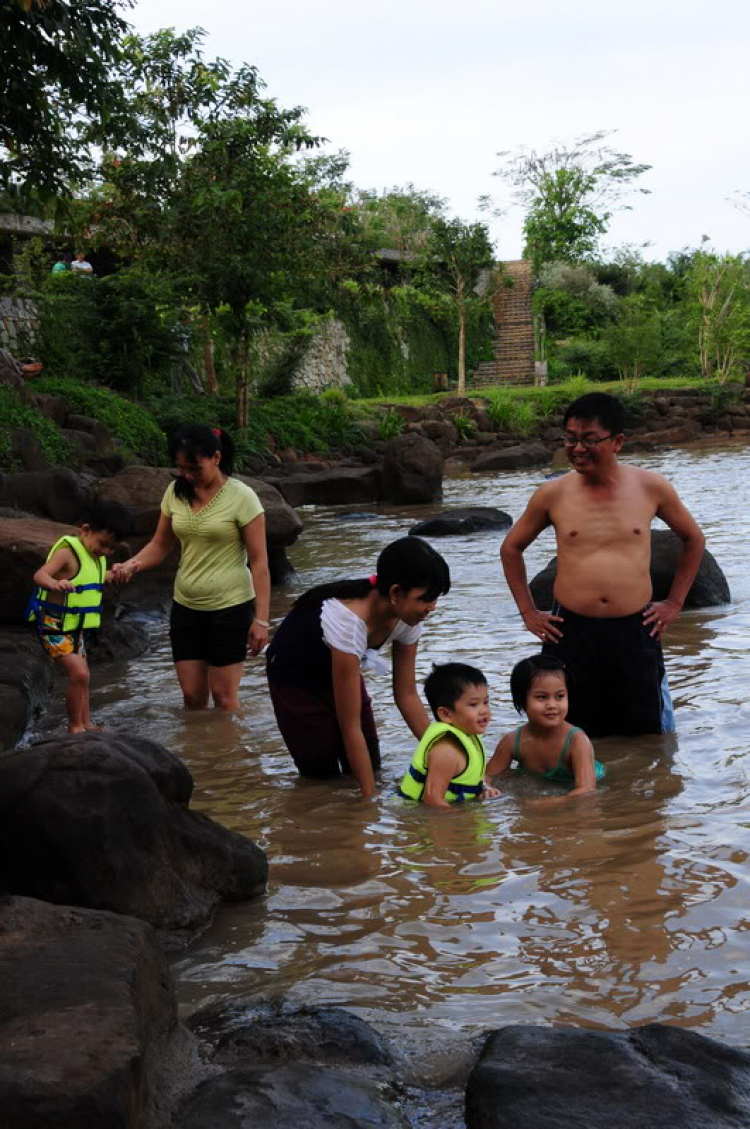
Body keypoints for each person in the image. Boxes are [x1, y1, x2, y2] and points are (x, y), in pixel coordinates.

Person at [500, 392, 705, 737]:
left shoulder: (650, 487)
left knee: (645, 736)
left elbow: (693, 539)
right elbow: (511, 549)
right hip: (570, 631)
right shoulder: (552, 494)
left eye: (589, 440)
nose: (577, 448)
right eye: (570, 438)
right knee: (568, 734)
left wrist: (674, 603)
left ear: (617, 442)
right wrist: (528, 612)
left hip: (636, 630)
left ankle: (635, 792)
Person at [266, 537, 451, 799]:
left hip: (342, 670)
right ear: (395, 593)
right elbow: (349, 725)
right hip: (295, 681)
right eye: (425, 598)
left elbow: (407, 695)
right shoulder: (348, 621)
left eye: (435, 598)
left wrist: (442, 751)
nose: (431, 607)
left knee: (371, 766)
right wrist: (369, 800)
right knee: (322, 778)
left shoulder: (409, 615)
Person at [112, 425, 270, 711]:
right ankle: (199, 755)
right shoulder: (176, 492)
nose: (187, 475)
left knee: (224, 699)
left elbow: (260, 564)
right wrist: (132, 564)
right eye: (181, 468)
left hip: (230, 608)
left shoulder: (243, 498)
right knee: (192, 698)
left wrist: (261, 621)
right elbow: (159, 546)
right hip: (186, 607)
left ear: (217, 458)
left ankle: (230, 755)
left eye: (194, 468)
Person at [27, 501, 131, 733]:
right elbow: (40, 574)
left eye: (111, 549)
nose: (105, 551)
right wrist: (55, 582)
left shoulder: (96, 557)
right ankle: (75, 727)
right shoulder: (67, 552)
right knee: (79, 673)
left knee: (83, 676)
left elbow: (90, 579)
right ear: (85, 530)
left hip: (76, 627)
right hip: (54, 624)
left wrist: (114, 574)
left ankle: (86, 723)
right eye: (102, 544)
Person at [485, 654, 604, 803]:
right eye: (542, 697)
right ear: (522, 702)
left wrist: (551, 803)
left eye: (560, 696)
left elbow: (586, 790)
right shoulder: (512, 741)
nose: (552, 705)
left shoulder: (577, 741)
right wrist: (486, 789)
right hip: (545, 783)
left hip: (588, 780)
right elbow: (488, 776)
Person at [398, 662, 500, 809]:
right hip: (414, 815)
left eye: (486, 702)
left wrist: (485, 788)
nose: (484, 710)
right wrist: (461, 821)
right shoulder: (446, 752)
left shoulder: (469, 735)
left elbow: (476, 776)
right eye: (473, 704)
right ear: (446, 714)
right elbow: (433, 800)